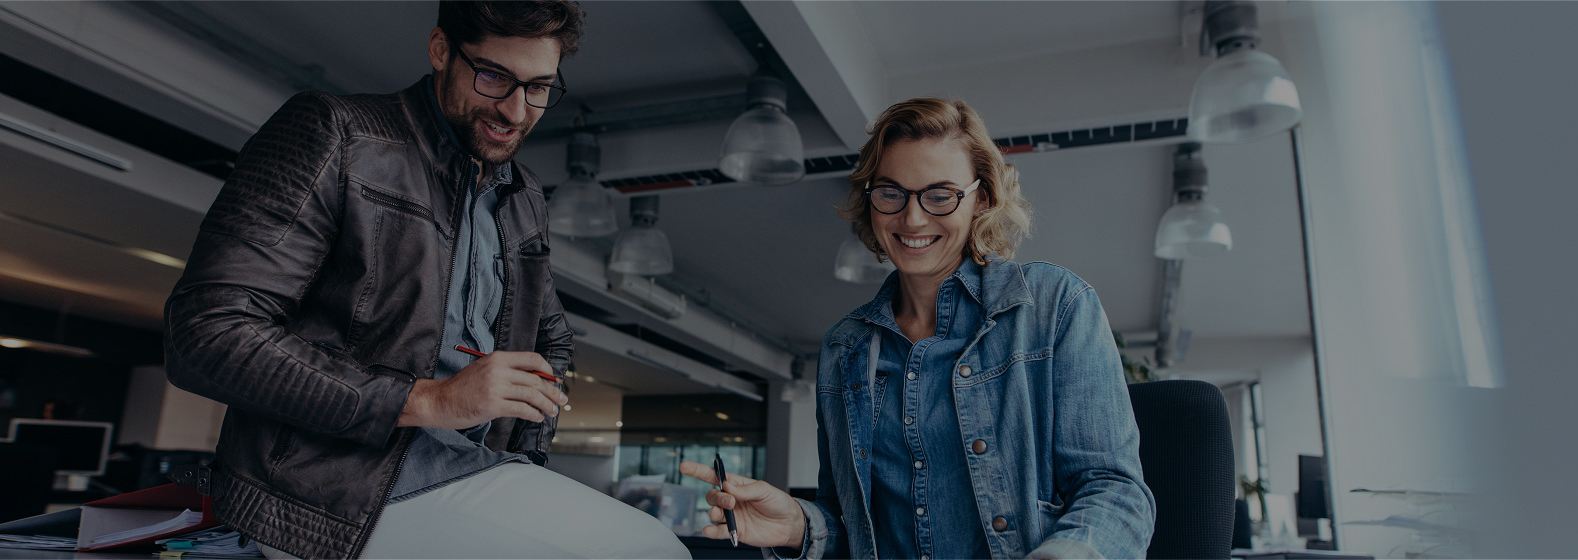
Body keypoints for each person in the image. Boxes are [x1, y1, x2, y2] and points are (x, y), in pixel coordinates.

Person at [163, 3, 687, 558]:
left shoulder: (521, 194)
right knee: (649, 552)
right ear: (441, 50)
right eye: (494, 77)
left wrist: (528, 456)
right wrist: (428, 400)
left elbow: (549, 337)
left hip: (466, 466)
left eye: (539, 88)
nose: (515, 110)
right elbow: (205, 335)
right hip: (329, 490)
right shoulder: (338, 133)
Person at [682, 98, 1156, 559]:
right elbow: (858, 527)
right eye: (891, 192)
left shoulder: (1053, 304)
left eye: (940, 195)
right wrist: (799, 525)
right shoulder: (845, 348)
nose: (911, 217)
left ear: (982, 198)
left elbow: (1116, 494)